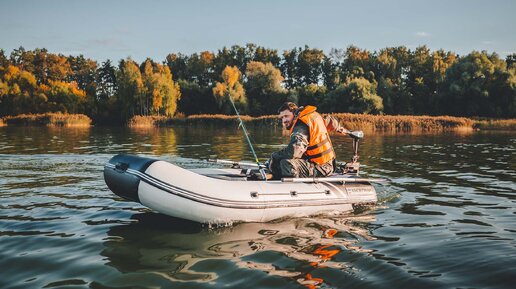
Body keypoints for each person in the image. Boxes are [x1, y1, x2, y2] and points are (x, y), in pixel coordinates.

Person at [268, 102, 351, 179]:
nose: (284, 120)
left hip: (322, 167)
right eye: (282, 117)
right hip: (322, 163)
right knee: (279, 161)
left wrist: (274, 156)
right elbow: (331, 122)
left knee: (286, 163)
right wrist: (340, 128)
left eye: (286, 116)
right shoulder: (313, 116)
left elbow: (294, 152)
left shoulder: (302, 125)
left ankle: (293, 189)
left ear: (294, 112)